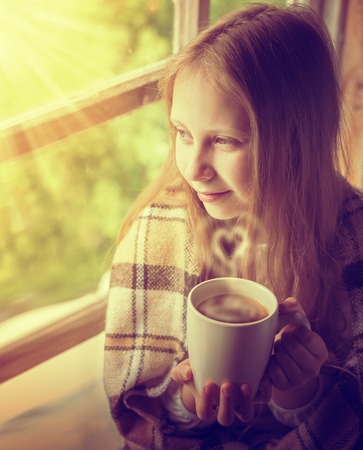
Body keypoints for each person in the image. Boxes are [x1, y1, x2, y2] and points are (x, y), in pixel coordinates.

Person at [103, 3, 363, 449]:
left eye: (224, 140)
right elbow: (139, 413)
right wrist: (186, 398)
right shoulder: (158, 232)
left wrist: (299, 389)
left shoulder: (351, 237)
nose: (193, 167)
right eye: (182, 132)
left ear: (296, 139)